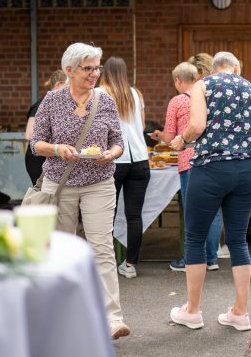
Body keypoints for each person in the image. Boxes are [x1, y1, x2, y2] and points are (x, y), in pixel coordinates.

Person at [168, 51, 251, 331]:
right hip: (244, 172)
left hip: (210, 169)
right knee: (238, 240)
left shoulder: (202, 86)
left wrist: (182, 140)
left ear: (213, 69)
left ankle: (192, 311)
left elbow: (197, 125)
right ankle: (240, 313)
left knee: (194, 238)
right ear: (237, 68)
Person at [30, 42, 130, 339]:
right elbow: (36, 144)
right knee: (62, 250)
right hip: (59, 184)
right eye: (88, 68)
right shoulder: (51, 100)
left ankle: (112, 318)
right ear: (69, 70)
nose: (95, 73)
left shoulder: (106, 100)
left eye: (97, 67)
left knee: (102, 249)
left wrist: (110, 154)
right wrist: (58, 149)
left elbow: (118, 141)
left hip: (99, 183)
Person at [151, 62, 222, 272]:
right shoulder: (211, 97)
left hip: (189, 159)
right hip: (213, 157)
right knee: (214, 211)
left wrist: (158, 136)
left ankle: (191, 259)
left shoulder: (178, 101)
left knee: (193, 211)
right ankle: (212, 258)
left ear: (179, 81)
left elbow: (171, 137)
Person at [100, 57, 151, 279]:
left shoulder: (101, 93)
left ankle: (105, 263)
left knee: (105, 215)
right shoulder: (135, 94)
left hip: (114, 159)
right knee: (134, 215)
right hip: (140, 159)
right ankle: (130, 264)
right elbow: (142, 123)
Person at [25, 70, 66, 184]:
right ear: (58, 85)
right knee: (43, 195)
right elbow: (29, 134)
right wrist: (56, 146)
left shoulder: (61, 104)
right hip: (38, 159)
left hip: (51, 157)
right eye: (68, 86)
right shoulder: (42, 104)